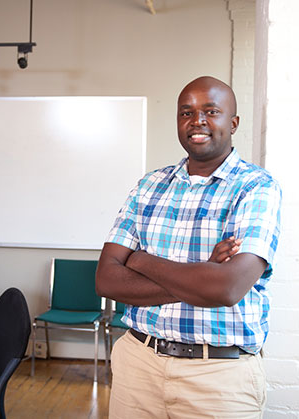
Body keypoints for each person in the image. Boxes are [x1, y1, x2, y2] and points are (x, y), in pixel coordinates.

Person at [96, 75, 282, 418]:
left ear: (233, 122)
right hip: (139, 364)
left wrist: (141, 260)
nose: (197, 121)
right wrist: (201, 276)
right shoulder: (149, 185)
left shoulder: (256, 187)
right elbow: (106, 281)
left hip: (219, 378)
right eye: (186, 112)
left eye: (211, 111)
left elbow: (226, 288)